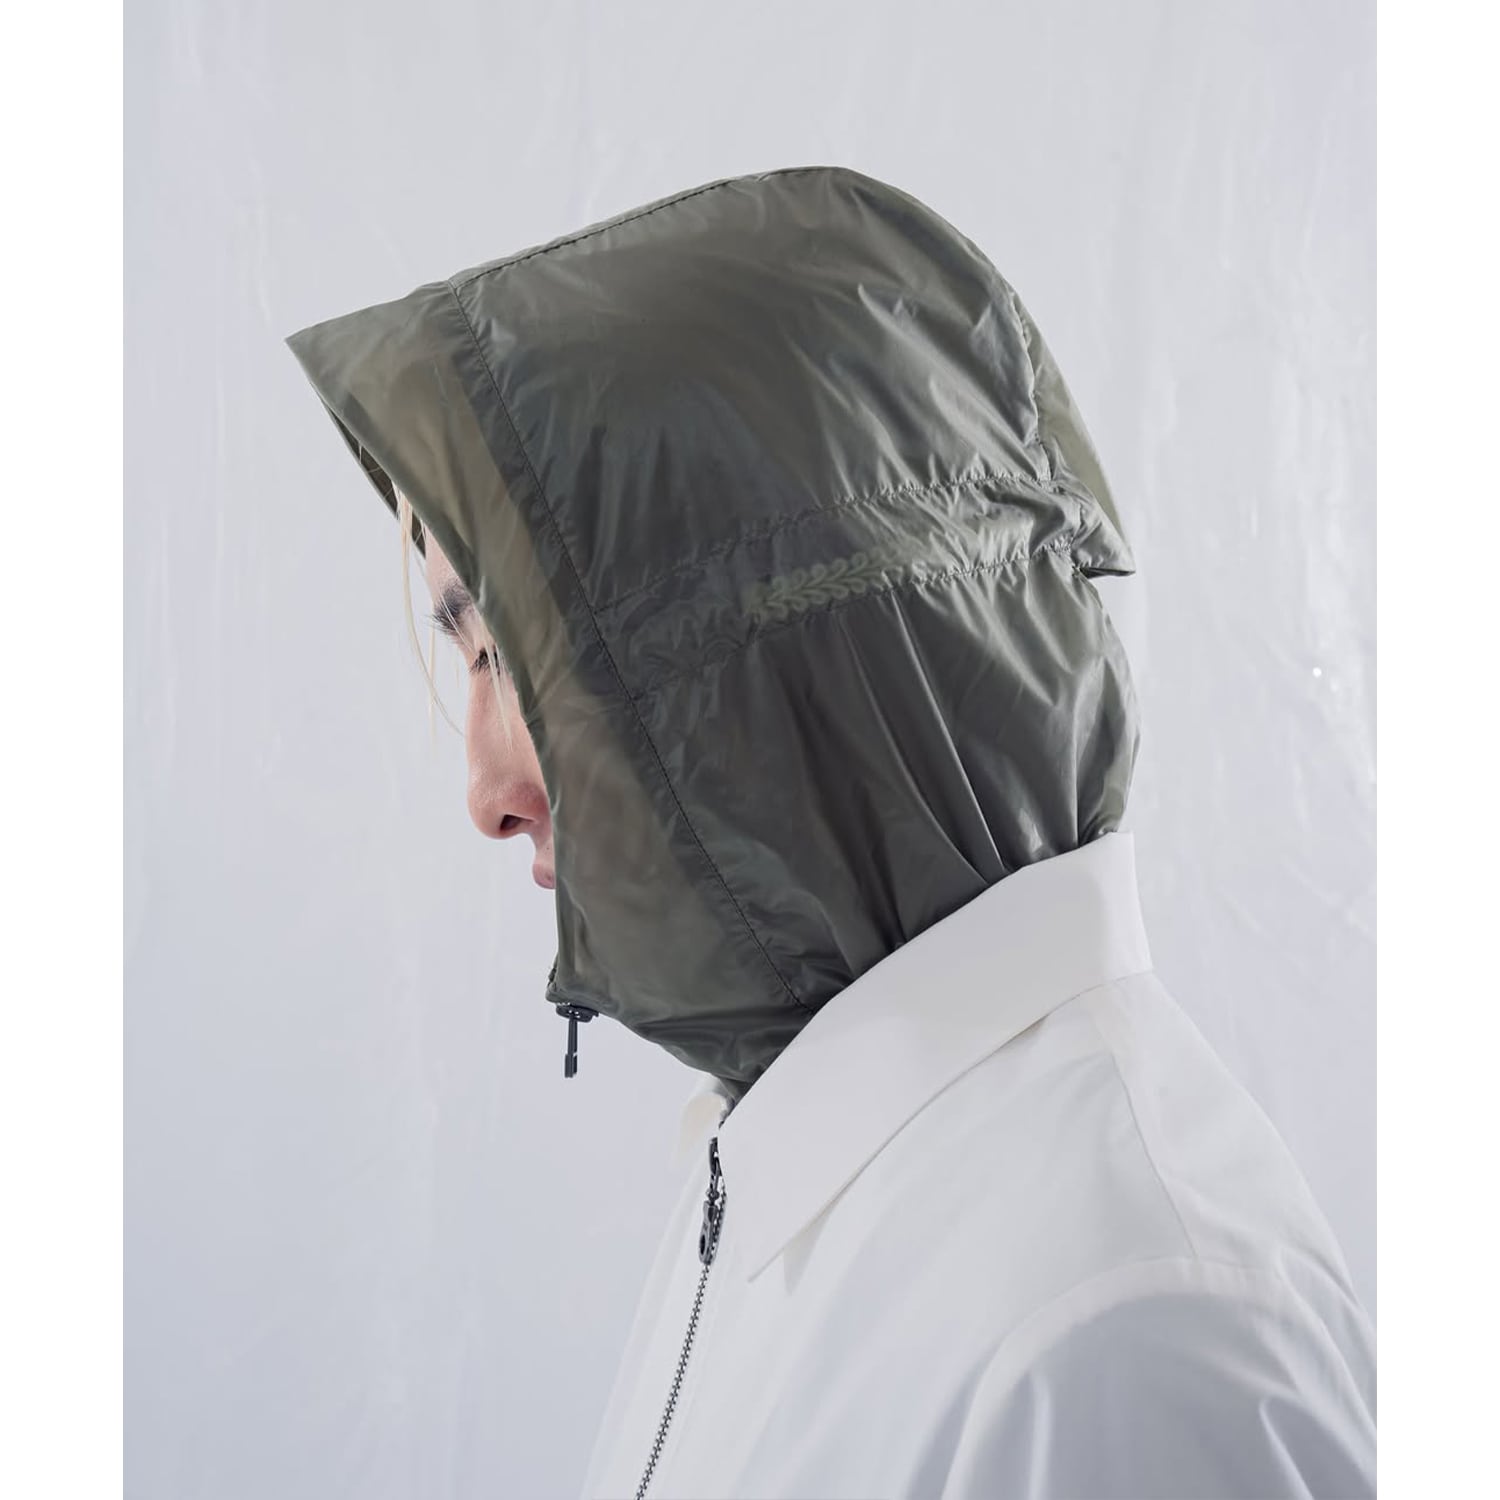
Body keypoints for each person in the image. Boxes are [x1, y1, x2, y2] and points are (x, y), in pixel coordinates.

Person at [284, 165, 1376, 1499]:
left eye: (513, 656)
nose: (485, 790)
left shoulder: (1123, 1332)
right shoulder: (803, 1167)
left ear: (759, 661)